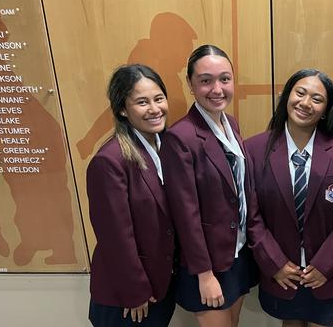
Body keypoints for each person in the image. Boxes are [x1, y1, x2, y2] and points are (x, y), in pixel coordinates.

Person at [246, 69, 333, 327]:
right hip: (282, 275)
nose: (306, 103)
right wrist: (274, 263)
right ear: (287, 96)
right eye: (300, 93)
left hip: (329, 275)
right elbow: (252, 217)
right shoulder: (253, 149)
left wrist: (325, 264)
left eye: (317, 99)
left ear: (326, 109)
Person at [160, 45, 257, 327]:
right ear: (191, 85)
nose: (217, 89)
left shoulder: (232, 125)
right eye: (206, 80)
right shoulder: (181, 138)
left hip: (236, 253)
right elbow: (185, 215)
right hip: (207, 263)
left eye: (224, 79)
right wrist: (204, 274)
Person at [87, 64, 176, 326]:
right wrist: (135, 292)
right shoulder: (110, 161)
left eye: (159, 98)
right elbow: (115, 237)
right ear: (123, 109)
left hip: (159, 288)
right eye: (142, 102)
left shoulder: (165, 147)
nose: (154, 109)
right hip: (128, 298)